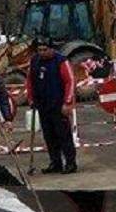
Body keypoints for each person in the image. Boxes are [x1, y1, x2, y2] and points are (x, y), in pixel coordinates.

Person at [26, 37, 77, 174]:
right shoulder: (35, 61)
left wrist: (67, 102)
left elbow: (70, 81)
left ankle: (70, 162)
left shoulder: (61, 61)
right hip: (43, 105)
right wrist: (31, 98)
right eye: (39, 50)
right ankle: (55, 162)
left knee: (63, 135)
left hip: (58, 104)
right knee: (49, 136)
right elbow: (30, 81)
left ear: (51, 48)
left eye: (45, 50)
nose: (42, 52)